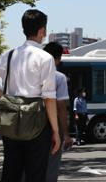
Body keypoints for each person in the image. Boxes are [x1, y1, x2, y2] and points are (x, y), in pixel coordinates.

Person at [0, 9, 60, 182]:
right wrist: (55, 131)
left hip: (11, 119)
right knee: (35, 173)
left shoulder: (8, 55)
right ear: (42, 31)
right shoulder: (45, 58)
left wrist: (4, 95)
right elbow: (49, 98)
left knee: (11, 170)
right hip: (36, 121)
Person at [43, 41, 74, 181]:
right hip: (50, 127)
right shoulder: (59, 77)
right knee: (51, 166)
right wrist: (65, 134)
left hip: (28, 124)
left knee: (29, 166)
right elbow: (61, 107)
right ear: (58, 58)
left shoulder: (30, 74)